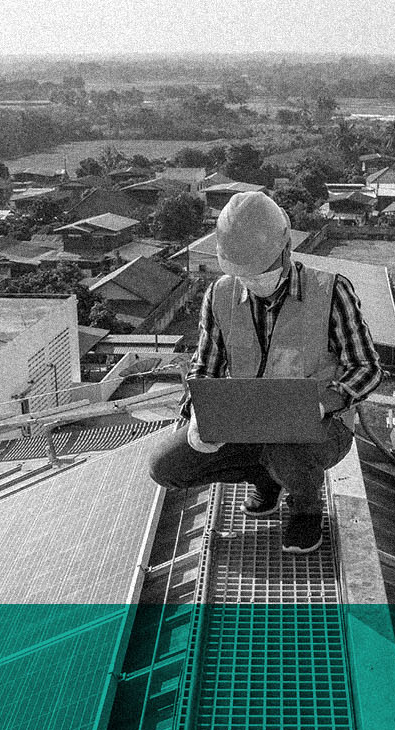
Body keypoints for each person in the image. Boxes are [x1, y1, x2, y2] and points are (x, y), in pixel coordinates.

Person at [147, 191, 382, 555]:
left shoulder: (332, 291)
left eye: (260, 271)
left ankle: (305, 509)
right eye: (242, 274)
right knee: (166, 465)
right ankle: (264, 477)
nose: (251, 281)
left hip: (319, 426)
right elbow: (205, 367)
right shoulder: (219, 295)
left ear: (286, 250)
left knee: (285, 447)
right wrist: (196, 414)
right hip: (245, 421)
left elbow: (367, 368)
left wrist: (323, 403)